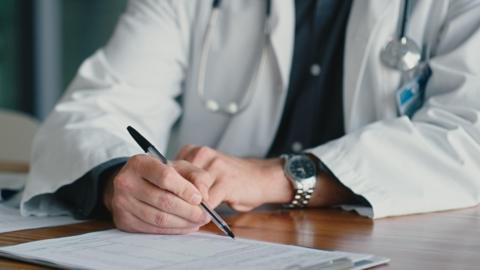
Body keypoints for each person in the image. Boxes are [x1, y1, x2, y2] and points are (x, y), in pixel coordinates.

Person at [21, 0, 480, 235]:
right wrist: (116, 178)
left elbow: (468, 134)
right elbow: (96, 106)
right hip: (219, 246)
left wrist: (278, 177)